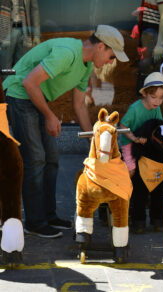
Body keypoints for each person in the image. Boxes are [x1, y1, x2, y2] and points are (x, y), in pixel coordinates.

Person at [3, 24, 129, 239]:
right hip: (19, 94)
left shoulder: (86, 65)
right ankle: (34, 222)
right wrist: (50, 116)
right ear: (100, 46)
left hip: (36, 98)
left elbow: (79, 105)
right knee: (35, 159)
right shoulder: (67, 53)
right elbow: (29, 82)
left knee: (52, 159)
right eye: (111, 56)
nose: (111, 62)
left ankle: (49, 216)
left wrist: (95, 142)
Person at [119, 72, 163, 178]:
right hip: (130, 141)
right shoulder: (135, 109)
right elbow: (122, 126)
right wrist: (134, 138)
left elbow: (159, 126)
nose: (157, 101)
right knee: (131, 170)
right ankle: (125, 192)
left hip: (146, 142)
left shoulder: (157, 108)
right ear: (144, 94)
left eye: (161, 98)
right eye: (153, 97)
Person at [136, 0, 163, 92]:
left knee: (149, 65)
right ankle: (147, 95)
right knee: (148, 65)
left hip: (153, 33)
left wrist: (159, 44)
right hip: (151, 32)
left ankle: (148, 94)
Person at [0, 0, 41, 78]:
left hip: (24, 32)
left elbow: (34, 9)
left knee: (22, 66)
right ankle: (9, 89)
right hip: (5, 33)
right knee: (6, 68)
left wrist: (37, 35)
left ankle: (17, 89)